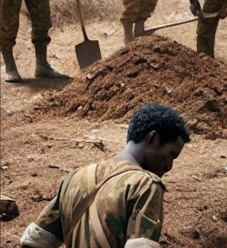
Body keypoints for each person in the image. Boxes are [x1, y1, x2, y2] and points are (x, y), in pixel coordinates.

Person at [20, 104, 189, 248]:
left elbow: (35, 241)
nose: (169, 166)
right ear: (152, 138)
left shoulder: (74, 178)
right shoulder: (145, 185)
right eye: (171, 155)